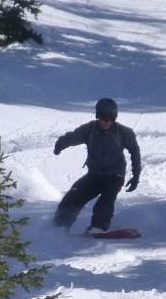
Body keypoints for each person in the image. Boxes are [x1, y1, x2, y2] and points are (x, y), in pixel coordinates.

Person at [52, 97, 141, 234]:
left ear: (114, 118)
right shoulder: (89, 129)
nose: (106, 122)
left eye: (110, 119)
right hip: (94, 176)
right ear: (97, 116)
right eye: (103, 118)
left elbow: (135, 152)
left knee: (106, 200)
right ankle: (59, 226)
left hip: (114, 176)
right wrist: (60, 144)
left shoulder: (124, 132)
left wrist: (136, 176)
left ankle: (98, 227)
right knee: (73, 196)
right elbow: (73, 137)